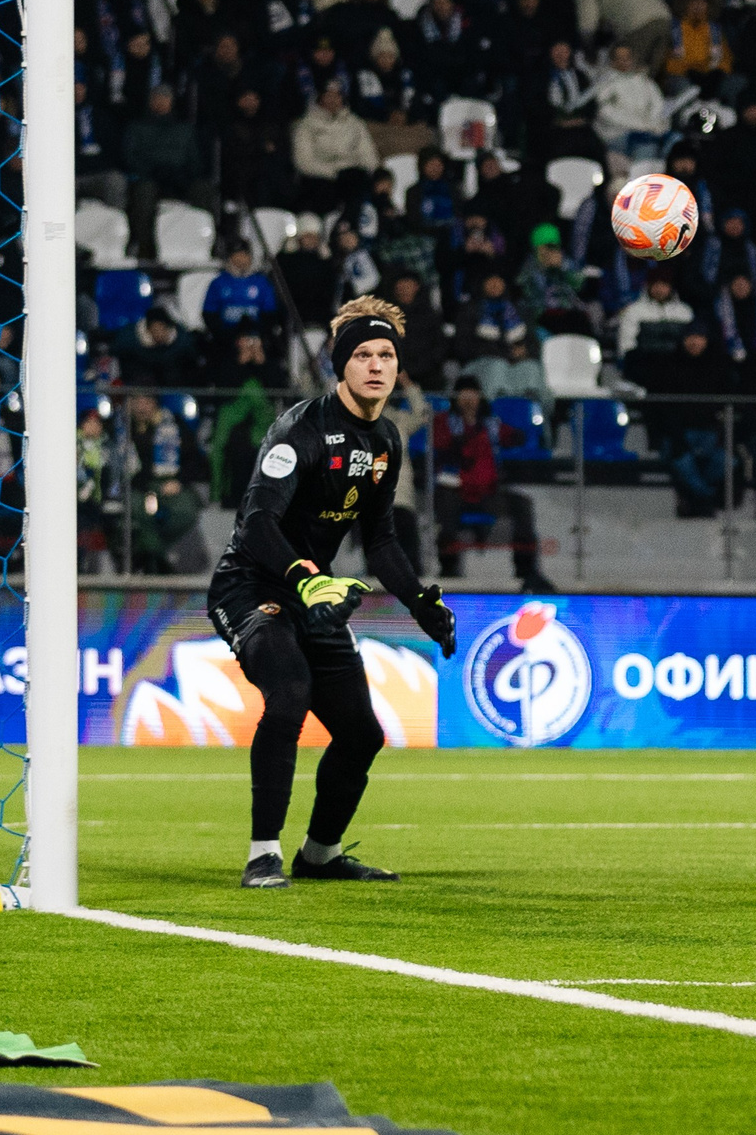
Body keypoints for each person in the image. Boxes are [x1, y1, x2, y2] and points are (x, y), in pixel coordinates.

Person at [205, 298, 457, 889]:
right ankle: (262, 853)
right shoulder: (300, 430)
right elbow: (257, 524)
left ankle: (318, 855)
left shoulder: (387, 442)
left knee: (362, 734)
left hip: (312, 595)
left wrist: (420, 604)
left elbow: (381, 543)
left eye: (386, 356)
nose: (376, 365)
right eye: (363, 355)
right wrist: (305, 576)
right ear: (342, 366)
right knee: (288, 694)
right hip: (251, 587)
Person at [431, 378, 555, 591]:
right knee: (445, 509)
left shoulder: (491, 423)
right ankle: (449, 567)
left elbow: (516, 437)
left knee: (522, 505)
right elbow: (440, 443)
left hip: (489, 491)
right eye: (464, 393)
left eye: (473, 393)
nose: (469, 398)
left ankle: (525, 570)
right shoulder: (444, 422)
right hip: (456, 490)